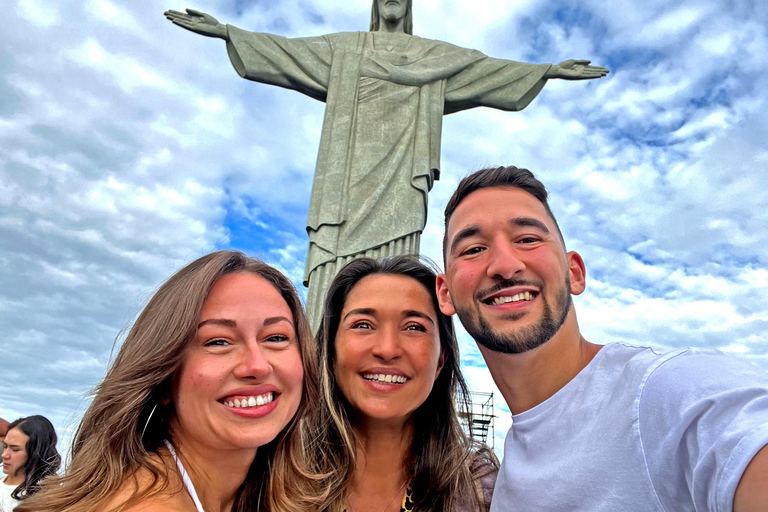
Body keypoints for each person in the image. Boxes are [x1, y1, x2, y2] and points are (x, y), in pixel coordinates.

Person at [163, 1, 608, 327]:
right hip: (345, 185)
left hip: (399, 181)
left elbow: (484, 71)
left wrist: (547, 70)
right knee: (333, 270)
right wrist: (227, 32)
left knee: (394, 264)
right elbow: (286, 53)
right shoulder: (346, 50)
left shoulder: (434, 56)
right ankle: (325, 347)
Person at [435, 165, 768, 511]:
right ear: (445, 294)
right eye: (473, 249)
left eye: (528, 239)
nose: (505, 265)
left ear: (574, 272)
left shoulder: (667, 396)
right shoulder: (506, 481)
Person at [17, 250, 319, 512]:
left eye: (276, 337)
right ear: (163, 379)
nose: (257, 365)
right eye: (218, 341)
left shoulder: (261, 491)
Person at [307, 256, 497, 512]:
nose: (387, 349)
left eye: (414, 327)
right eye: (363, 324)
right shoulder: (270, 476)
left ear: (441, 360)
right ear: (330, 351)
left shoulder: (481, 493)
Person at [1, 415, 61, 511]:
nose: (5, 455)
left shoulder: (46, 498)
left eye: (15, 449)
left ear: (35, 453)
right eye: (5, 446)